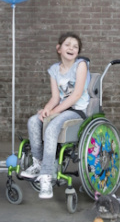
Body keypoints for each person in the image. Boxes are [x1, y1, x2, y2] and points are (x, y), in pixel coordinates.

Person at [20, 32, 91, 199]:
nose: (72, 48)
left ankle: (46, 176)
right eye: (68, 45)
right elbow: (55, 97)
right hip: (61, 108)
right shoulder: (54, 70)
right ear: (59, 48)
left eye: (75, 46)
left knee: (51, 127)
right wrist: (47, 109)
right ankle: (37, 163)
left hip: (76, 110)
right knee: (34, 120)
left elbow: (75, 95)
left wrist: (54, 112)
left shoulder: (81, 65)